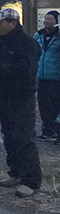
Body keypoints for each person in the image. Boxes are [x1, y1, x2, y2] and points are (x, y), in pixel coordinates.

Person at [0, 8, 42, 198]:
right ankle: (16, 172)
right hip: (3, 95)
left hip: (22, 97)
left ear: (13, 23)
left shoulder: (29, 43)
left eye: (0, 23)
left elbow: (26, 69)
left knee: (24, 137)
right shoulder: (1, 42)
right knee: (9, 135)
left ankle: (32, 180)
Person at [33, 11, 60, 144]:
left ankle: (56, 130)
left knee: (55, 105)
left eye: (50, 19)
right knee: (43, 104)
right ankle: (47, 131)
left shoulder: (58, 36)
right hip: (41, 75)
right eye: (45, 18)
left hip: (56, 77)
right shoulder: (39, 35)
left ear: (56, 21)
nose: (46, 21)